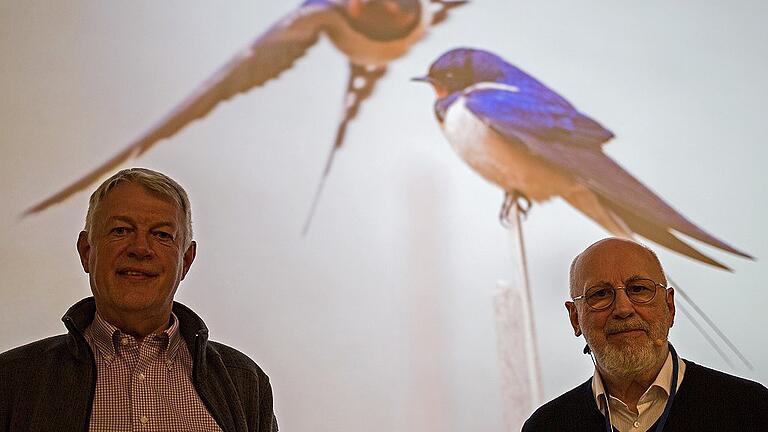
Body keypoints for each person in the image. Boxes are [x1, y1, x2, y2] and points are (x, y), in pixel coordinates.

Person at [0, 168, 278, 431]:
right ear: (86, 251)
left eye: (161, 235)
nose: (141, 249)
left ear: (186, 260)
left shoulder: (244, 382)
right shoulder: (12, 380)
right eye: (120, 230)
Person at [523, 237, 768, 431]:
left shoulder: (751, 409)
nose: (622, 309)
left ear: (669, 307)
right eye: (600, 294)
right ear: (575, 318)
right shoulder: (546, 426)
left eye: (638, 289)